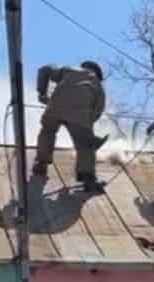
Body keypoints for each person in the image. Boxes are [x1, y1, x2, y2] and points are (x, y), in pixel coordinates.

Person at [34, 60, 109, 190]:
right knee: (85, 146)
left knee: (47, 132)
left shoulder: (68, 70)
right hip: (79, 115)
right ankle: (88, 178)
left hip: (54, 109)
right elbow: (97, 110)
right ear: (97, 73)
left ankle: (41, 164)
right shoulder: (97, 84)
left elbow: (44, 69)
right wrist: (88, 133)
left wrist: (42, 92)